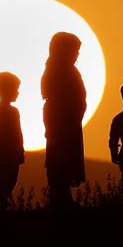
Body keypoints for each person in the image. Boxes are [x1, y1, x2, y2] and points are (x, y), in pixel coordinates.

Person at [41, 32, 87, 208]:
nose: (77, 55)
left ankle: (62, 197)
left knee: (64, 157)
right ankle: (60, 198)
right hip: (62, 121)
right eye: (75, 50)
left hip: (69, 121)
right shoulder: (58, 70)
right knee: (60, 157)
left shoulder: (60, 69)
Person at [0, 72, 25, 213]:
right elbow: (8, 135)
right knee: (5, 184)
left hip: (7, 155)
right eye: (15, 89)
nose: (17, 92)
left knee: (5, 184)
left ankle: (0, 209)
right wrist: (16, 151)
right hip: (7, 156)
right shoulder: (6, 112)